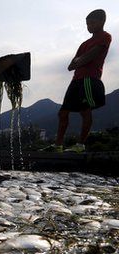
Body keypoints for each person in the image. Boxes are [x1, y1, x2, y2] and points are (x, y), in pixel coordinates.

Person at [45, 9, 112, 153]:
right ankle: (58, 146)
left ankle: (80, 145)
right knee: (63, 112)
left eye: (92, 23)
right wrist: (81, 60)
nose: (89, 27)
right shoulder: (84, 44)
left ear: (102, 22)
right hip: (76, 80)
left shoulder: (105, 37)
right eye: (87, 24)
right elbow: (71, 66)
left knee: (85, 111)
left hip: (89, 79)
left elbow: (91, 56)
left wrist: (80, 60)